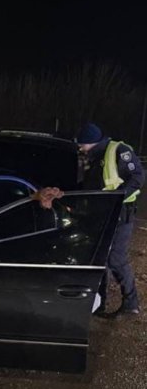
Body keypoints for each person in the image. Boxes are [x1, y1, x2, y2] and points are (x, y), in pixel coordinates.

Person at [75, 123, 144, 317]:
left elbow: (138, 177)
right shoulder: (90, 156)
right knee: (101, 258)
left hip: (121, 214)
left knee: (116, 259)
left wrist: (119, 195)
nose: (81, 148)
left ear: (93, 142)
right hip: (101, 214)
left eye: (83, 145)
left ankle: (131, 303)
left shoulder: (119, 151)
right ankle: (99, 304)